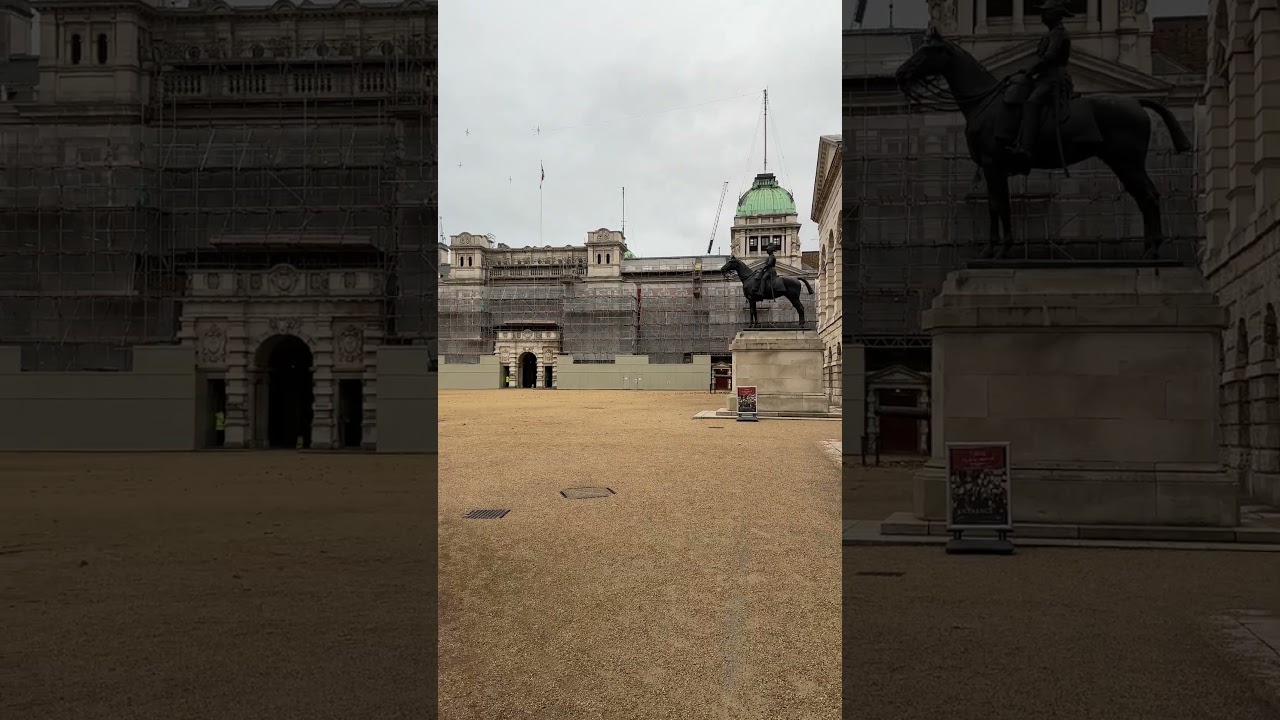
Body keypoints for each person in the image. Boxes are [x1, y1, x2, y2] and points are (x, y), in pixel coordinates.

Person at [1003, 0, 1074, 173]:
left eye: (1045, 12)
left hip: (1054, 79)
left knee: (1031, 103)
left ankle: (1026, 149)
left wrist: (1031, 70)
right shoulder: (1051, 33)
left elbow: (1049, 57)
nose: (1042, 16)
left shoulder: (1058, 33)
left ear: (1054, 15)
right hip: (1045, 77)